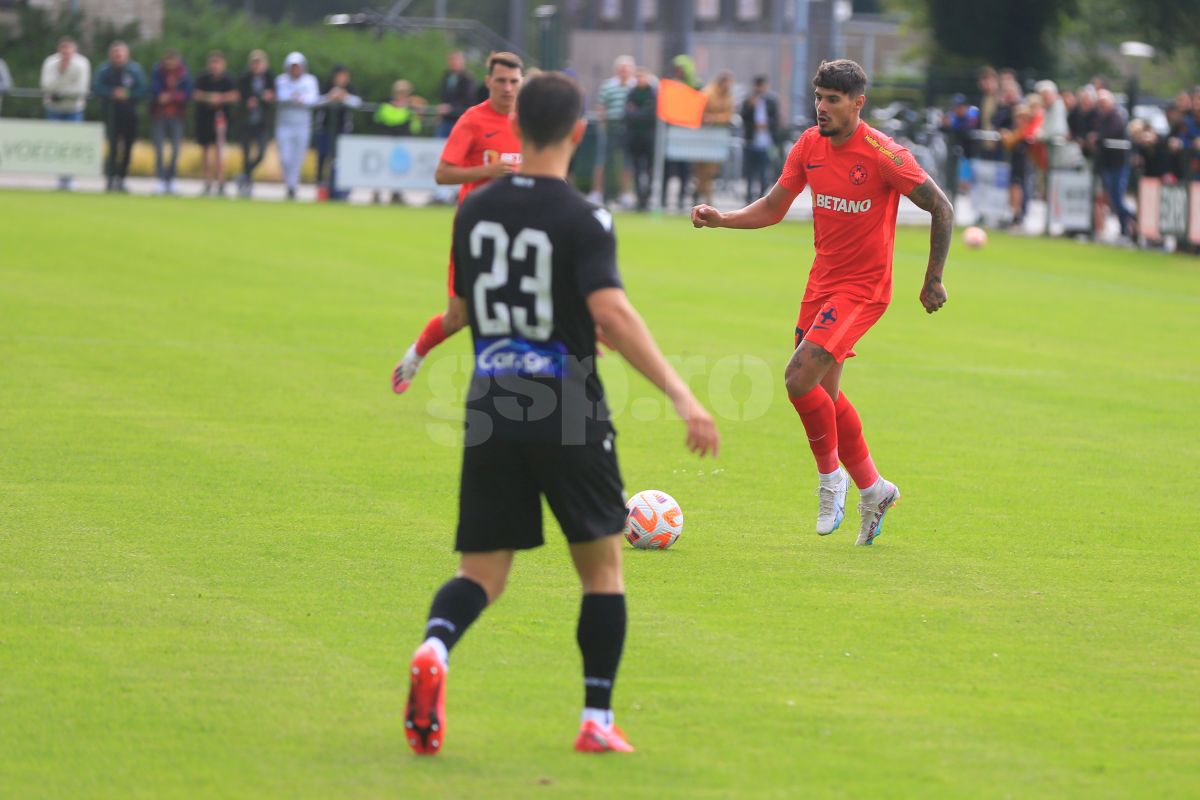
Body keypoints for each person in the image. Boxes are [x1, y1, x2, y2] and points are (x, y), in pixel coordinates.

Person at [403, 70, 720, 758]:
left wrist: (419, 349)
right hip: (566, 406)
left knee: (480, 575)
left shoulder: (473, 210)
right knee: (603, 571)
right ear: (578, 132)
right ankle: (596, 718)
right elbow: (610, 311)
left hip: (491, 402)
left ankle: (435, 646)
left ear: (515, 129)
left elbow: (461, 311)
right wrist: (682, 394)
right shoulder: (585, 217)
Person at [691, 59, 953, 546]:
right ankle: (875, 490)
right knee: (826, 398)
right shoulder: (809, 146)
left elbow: (941, 207)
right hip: (821, 286)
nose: (822, 108)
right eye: (818, 98)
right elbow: (772, 207)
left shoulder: (884, 154)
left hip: (864, 290)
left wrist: (932, 279)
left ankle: (831, 479)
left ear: (858, 104)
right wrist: (721, 218)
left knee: (796, 377)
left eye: (833, 100)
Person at [391, 52, 525, 395]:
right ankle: (415, 355)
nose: (508, 88)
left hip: (521, 232)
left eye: (514, 81)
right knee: (458, 318)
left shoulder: (530, 122)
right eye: (501, 81)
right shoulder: (473, 120)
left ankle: (510, 389)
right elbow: (442, 173)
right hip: (474, 233)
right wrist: (487, 171)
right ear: (488, 82)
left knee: (518, 310)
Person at [92, 41, 148, 193]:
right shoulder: (104, 70)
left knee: (127, 148)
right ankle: (110, 179)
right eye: (115, 54)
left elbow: (142, 90)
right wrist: (112, 93)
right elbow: (97, 87)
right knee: (113, 148)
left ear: (126, 55)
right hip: (111, 114)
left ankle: (122, 179)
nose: (118, 56)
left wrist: (127, 94)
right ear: (111, 55)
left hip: (129, 114)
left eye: (120, 54)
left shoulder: (135, 70)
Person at [40, 37, 91, 191]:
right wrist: (62, 72)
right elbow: (46, 85)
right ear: (59, 50)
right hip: (54, 108)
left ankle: (69, 178)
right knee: (56, 143)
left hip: (74, 109)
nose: (66, 53)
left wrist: (60, 92)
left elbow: (81, 89)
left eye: (69, 50)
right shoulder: (50, 62)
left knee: (71, 143)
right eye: (63, 49)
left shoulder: (82, 63)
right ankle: (60, 177)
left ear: (74, 51)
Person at [590, 55, 636, 207]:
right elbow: (601, 107)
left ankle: (624, 194)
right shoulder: (608, 86)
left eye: (627, 69)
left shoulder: (635, 86)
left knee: (627, 162)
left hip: (628, 128)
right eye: (621, 69)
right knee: (602, 160)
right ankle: (597, 192)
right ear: (616, 70)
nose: (624, 71)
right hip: (610, 125)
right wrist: (604, 124)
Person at [274, 52, 319, 201]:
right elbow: (281, 97)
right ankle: (290, 183)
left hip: (302, 125)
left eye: (298, 67)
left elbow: (313, 99)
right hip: (284, 125)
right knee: (285, 157)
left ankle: (292, 187)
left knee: (297, 158)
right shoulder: (281, 80)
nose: (295, 70)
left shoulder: (310, 81)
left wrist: (300, 99)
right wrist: (295, 98)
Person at [315, 65, 363, 200]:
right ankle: (322, 189)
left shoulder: (349, 89)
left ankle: (340, 191)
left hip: (342, 131)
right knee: (323, 158)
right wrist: (330, 98)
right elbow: (315, 100)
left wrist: (344, 98)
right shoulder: (327, 86)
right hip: (325, 129)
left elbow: (358, 102)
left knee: (341, 161)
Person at [373, 79, 425, 204]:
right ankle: (377, 192)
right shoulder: (387, 105)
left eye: (404, 92)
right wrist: (404, 109)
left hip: (402, 144)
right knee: (381, 168)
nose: (401, 94)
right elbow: (382, 119)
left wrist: (418, 115)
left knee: (398, 169)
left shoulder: (410, 108)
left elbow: (415, 128)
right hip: (386, 141)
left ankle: (396, 194)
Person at [1090, 90, 1134, 238]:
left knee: (1116, 197)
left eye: (1104, 103)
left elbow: (1109, 133)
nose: (1101, 106)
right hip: (1107, 164)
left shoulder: (1116, 116)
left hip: (1118, 164)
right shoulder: (1101, 118)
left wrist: (1097, 138)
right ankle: (1125, 226)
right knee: (1112, 198)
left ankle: (1131, 218)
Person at [661, 54, 702, 210]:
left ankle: (681, 200)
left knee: (685, 170)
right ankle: (664, 199)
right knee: (668, 167)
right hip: (672, 133)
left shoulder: (696, 86)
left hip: (688, 134)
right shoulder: (672, 85)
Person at [149, 49, 192, 195]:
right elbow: (153, 90)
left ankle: (171, 178)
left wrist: (172, 96)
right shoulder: (158, 72)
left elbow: (187, 93)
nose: (170, 63)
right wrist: (160, 96)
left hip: (176, 115)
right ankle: (160, 179)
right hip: (159, 115)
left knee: (175, 149)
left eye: (172, 60)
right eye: (167, 60)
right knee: (159, 149)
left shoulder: (183, 74)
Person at [693, 71, 735, 206]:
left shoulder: (728, 97)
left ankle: (701, 193)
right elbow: (698, 111)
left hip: (717, 138)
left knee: (711, 171)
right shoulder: (707, 94)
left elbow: (729, 115)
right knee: (701, 169)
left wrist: (715, 118)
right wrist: (706, 118)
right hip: (702, 137)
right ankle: (705, 196)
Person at [237, 50, 275, 198]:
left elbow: (271, 96)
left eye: (259, 63)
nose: (257, 66)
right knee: (246, 154)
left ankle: (244, 175)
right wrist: (248, 101)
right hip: (246, 121)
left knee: (261, 153)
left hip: (262, 122)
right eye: (254, 63)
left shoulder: (269, 78)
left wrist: (264, 97)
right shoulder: (244, 78)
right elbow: (241, 96)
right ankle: (247, 183)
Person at [741, 75, 781, 203]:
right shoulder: (749, 100)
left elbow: (777, 120)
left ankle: (761, 198)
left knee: (765, 172)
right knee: (750, 172)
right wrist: (750, 107)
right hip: (751, 141)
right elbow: (743, 117)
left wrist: (767, 124)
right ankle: (748, 197)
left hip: (767, 142)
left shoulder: (772, 101)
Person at [624, 67, 656, 211]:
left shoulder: (653, 93)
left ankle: (647, 197)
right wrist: (640, 114)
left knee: (649, 169)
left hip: (649, 137)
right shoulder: (632, 93)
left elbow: (651, 113)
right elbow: (628, 113)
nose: (640, 80)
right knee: (636, 168)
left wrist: (637, 113)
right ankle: (639, 198)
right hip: (634, 137)